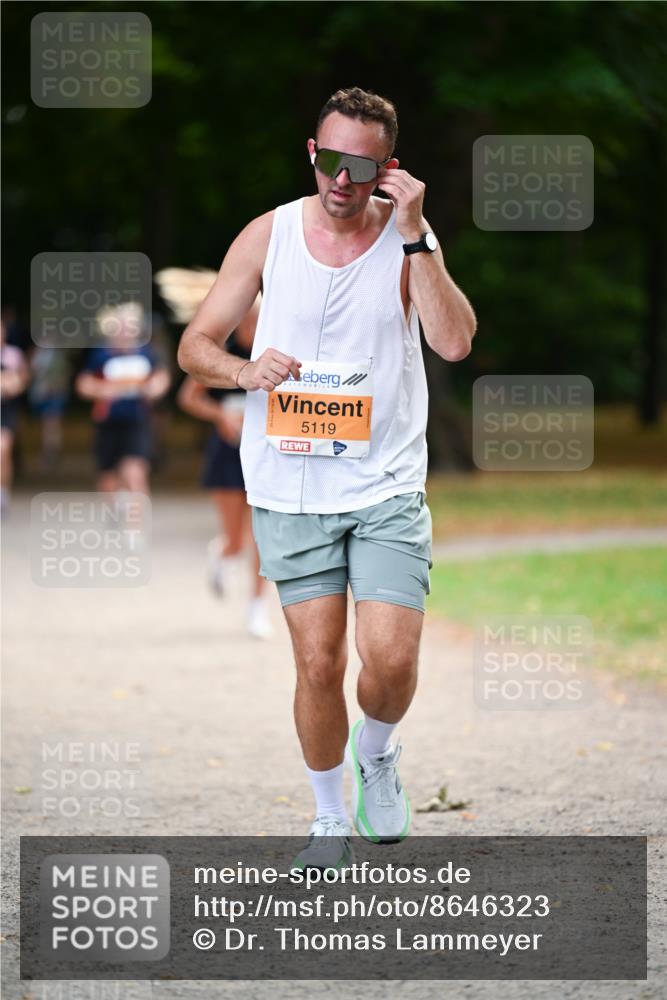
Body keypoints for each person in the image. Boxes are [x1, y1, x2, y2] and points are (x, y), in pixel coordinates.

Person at [177, 87, 476, 871]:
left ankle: (376, 750)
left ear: (388, 168)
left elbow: (453, 343)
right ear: (312, 152)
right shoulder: (268, 234)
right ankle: (327, 818)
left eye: (361, 166)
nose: (342, 180)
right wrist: (243, 370)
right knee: (317, 663)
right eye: (330, 160)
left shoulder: (408, 240)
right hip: (290, 486)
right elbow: (195, 345)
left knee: (391, 660)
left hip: (384, 483)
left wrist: (414, 237)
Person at [178, 296, 273, 640]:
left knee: (262, 537)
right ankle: (222, 554)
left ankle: (257, 609)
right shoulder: (222, 353)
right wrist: (221, 416)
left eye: (257, 320)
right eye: (246, 320)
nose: (251, 327)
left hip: (267, 456)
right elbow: (188, 398)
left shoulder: (276, 353)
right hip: (228, 454)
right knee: (236, 541)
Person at [75, 302, 170, 495]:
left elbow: (161, 376)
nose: (125, 332)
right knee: (108, 477)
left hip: (138, 420)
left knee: (135, 471)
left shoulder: (146, 353)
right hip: (108, 421)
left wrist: (155, 388)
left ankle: (136, 514)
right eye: (121, 327)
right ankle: (117, 506)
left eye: (129, 327)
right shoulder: (101, 354)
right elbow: (83, 384)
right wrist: (102, 390)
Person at [0, 318, 29, 516]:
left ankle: (2, 495)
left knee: (2, 449)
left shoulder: (13, 355)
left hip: (5, 409)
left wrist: (15, 383)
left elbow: (22, 380)